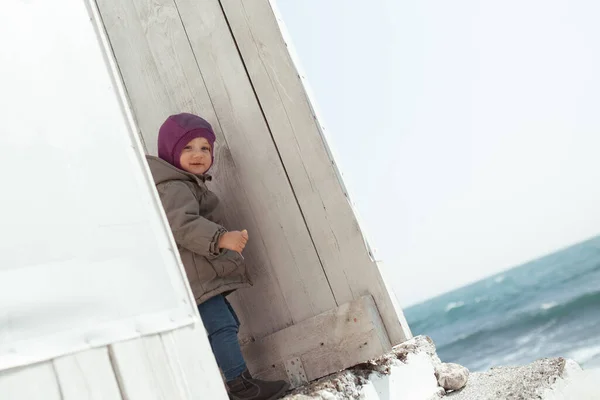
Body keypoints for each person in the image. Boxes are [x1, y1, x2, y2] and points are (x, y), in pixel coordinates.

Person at [146, 113, 289, 400]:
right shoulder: (173, 186)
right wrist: (221, 238)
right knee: (221, 326)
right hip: (194, 277)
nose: (198, 154)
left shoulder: (185, 184)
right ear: (170, 152)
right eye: (187, 148)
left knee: (225, 324)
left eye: (204, 148)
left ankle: (236, 383)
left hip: (199, 275)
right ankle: (241, 388)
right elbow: (182, 226)